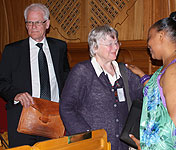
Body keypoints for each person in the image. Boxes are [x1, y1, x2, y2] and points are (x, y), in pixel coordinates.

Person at [59, 25, 143, 150]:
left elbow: (143, 96)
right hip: (93, 146)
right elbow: (66, 107)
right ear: (95, 47)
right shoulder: (82, 72)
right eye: (109, 44)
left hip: (122, 146)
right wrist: (88, 137)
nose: (115, 47)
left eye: (116, 43)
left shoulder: (124, 72)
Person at [0, 3, 70, 148]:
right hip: (23, 118)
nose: (33, 26)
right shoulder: (12, 50)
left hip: (53, 119)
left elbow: (65, 78)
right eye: (29, 23)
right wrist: (16, 94)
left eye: (37, 22)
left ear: (47, 24)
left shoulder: (59, 47)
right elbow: (2, 82)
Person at [128, 11, 176, 149]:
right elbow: (162, 94)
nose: (147, 43)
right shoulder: (174, 64)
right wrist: (141, 75)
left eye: (150, 37)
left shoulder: (174, 70)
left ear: (161, 36)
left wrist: (149, 146)